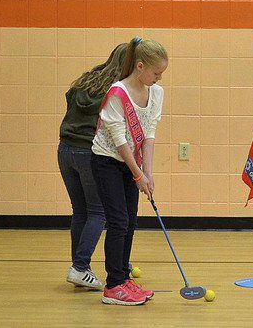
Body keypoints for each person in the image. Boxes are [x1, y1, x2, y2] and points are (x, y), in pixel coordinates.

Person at [91, 37, 167, 306]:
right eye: (155, 73)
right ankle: (113, 286)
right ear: (139, 66)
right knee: (118, 222)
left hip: (131, 163)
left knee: (130, 222)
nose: (158, 78)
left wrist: (148, 173)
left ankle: (123, 279)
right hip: (107, 161)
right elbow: (120, 139)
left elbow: (149, 134)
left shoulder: (156, 93)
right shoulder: (117, 93)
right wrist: (138, 175)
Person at [59, 43, 128, 290]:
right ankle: (79, 266)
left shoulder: (86, 80)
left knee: (80, 210)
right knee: (98, 212)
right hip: (89, 152)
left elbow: (69, 104)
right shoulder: (116, 89)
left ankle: (81, 268)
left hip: (65, 149)